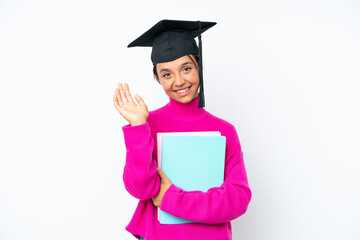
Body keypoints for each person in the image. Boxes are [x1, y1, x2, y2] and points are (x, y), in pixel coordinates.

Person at [113, 20, 252, 240]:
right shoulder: (147, 124)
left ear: (200, 66)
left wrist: (172, 198)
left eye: (186, 68)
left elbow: (237, 199)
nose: (179, 81)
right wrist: (138, 127)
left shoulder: (224, 130)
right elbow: (140, 189)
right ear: (157, 78)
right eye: (167, 74)